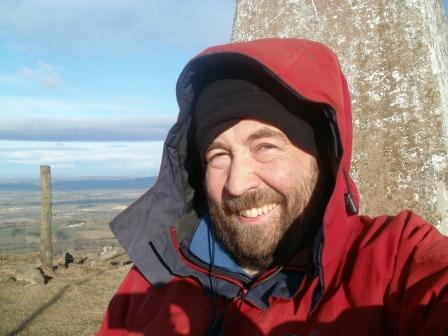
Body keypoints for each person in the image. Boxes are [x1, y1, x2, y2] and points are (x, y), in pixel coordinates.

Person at [98, 38, 448, 335]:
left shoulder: (393, 262)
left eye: (265, 146)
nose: (237, 183)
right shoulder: (154, 278)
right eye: (218, 155)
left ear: (323, 157)